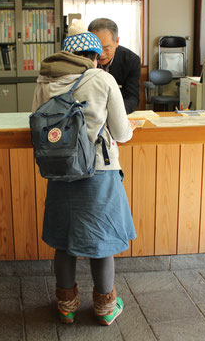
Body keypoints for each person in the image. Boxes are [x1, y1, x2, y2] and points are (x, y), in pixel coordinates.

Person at [32, 20, 137, 326]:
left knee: (65, 242)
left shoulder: (43, 80)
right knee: (100, 242)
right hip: (99, 172)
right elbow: (122, 131)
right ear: (92, 57)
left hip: (59, 169)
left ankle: (66, 307)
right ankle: (105, 309)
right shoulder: (101, 80)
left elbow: (38, 124)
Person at [88, 18, 141, 114]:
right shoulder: (83, 58)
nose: (101, 54)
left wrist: (113, 114)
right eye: (97, 48)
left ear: (117, 42)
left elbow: (132, 98)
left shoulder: (131, 60)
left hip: (118, 113)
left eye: (106, 48)